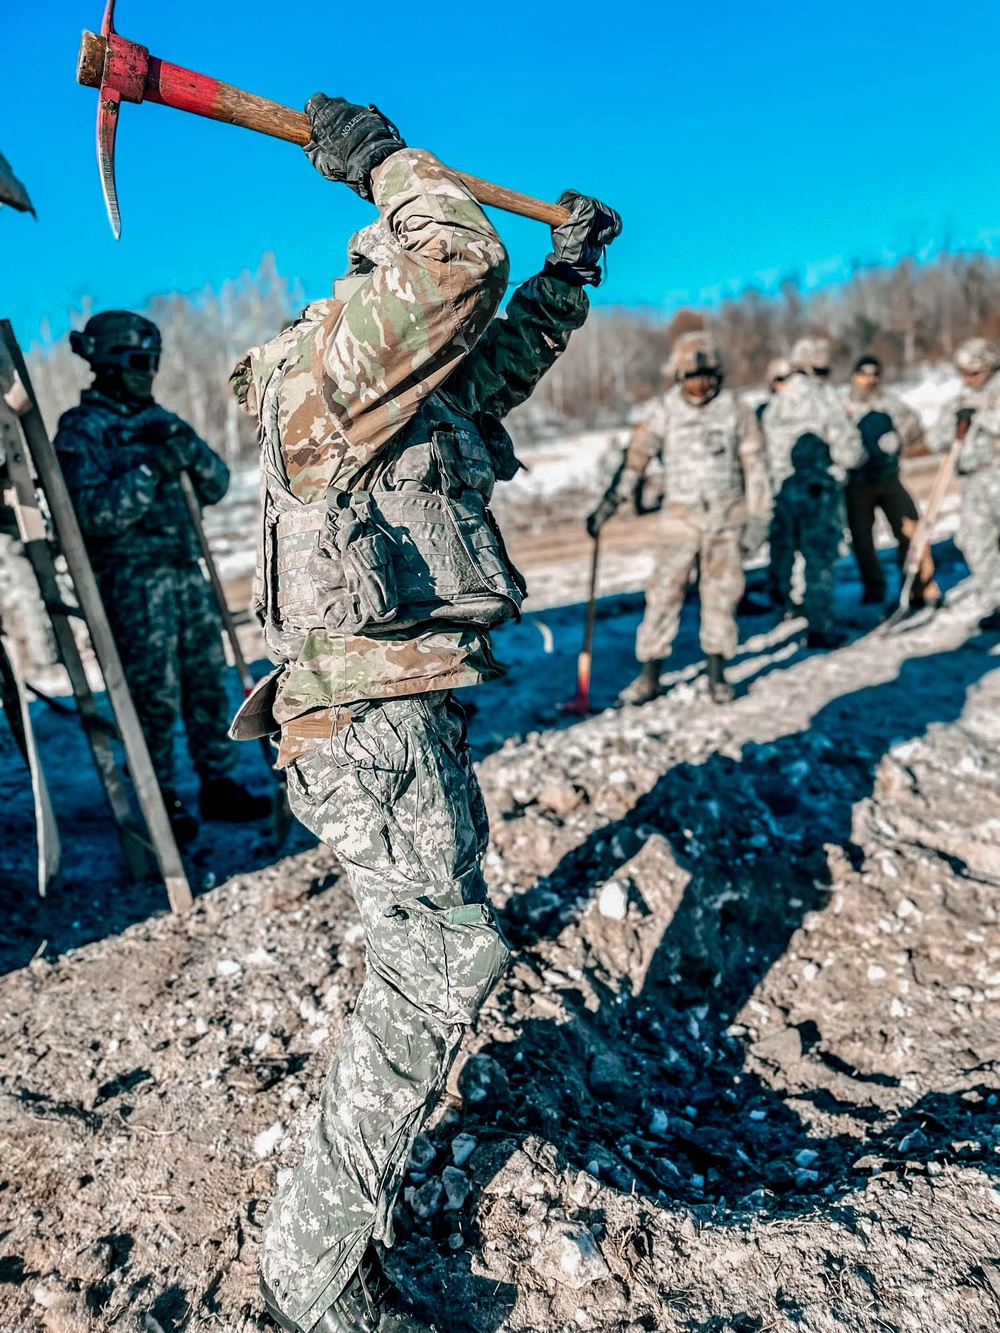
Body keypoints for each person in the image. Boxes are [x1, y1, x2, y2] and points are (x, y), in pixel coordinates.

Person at [228, 95, 620, 1333]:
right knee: (437, 955)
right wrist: (392, 167)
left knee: (426, 949)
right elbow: (457, 259)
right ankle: (312, 1268)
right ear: (373, 285)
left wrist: (568, 273)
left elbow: (493, 364)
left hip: (398, 709)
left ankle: (326, 1244)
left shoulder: (402, 395)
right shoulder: (324, 368)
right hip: (368, 718)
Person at [54, 311, 270, 844]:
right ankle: (163, 799)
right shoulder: (83, 430)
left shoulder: (161, 419)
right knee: (154, 698)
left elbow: (217, 483)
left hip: (186, 574)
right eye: (139, 362)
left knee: (205, 685)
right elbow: (96, 516)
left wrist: (182, 448)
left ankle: (218, 784)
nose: (149, 373)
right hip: (133, 585)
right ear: (107, 363)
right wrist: (149, 468)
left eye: (154, 362)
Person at [587, 331, 771, 705]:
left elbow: (757, 468)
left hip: (725, 518)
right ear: (679, 378)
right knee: (663, 594)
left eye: (707, 377)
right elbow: (635, 460)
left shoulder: (737, 411)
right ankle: (650, 676)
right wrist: (611, 502)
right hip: (680, 521)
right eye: (691, 377)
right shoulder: (664, 413)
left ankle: (717, 673)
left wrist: (761, 517)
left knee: (721, 595)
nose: (700, 385)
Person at [760, 335, 864, 648]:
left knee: (784, 552)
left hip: (781, 491)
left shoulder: (774, 404)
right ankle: (821, 627)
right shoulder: (825, 399)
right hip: (818, 493)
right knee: (819, 560)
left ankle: (785, 606)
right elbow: (850, 453)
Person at [842, 354, 939, 608]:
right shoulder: (843, 406)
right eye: (864, 374)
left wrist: (902, 435)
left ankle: (921, 586)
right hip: (857, 483)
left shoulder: (890, 404)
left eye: (875, 374)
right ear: (855, 376)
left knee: (912, 530)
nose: (870, 379)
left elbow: (915, 429)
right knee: (862, 539)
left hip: (889, 479)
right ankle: (874, 588)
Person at [930, 337, 1000, 630]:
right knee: (974, 540)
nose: (967, 379)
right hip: (975, 480)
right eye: (963, 373)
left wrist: (982, 416)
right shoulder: (961, 398)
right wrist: (953, 421)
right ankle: (996, 598)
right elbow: (935, 440)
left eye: (974, 373)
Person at [755, 355, 792, 425]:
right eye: (781, 379)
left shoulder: (802, 407)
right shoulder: (763, 410)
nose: (786, 383)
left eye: (790, 379)